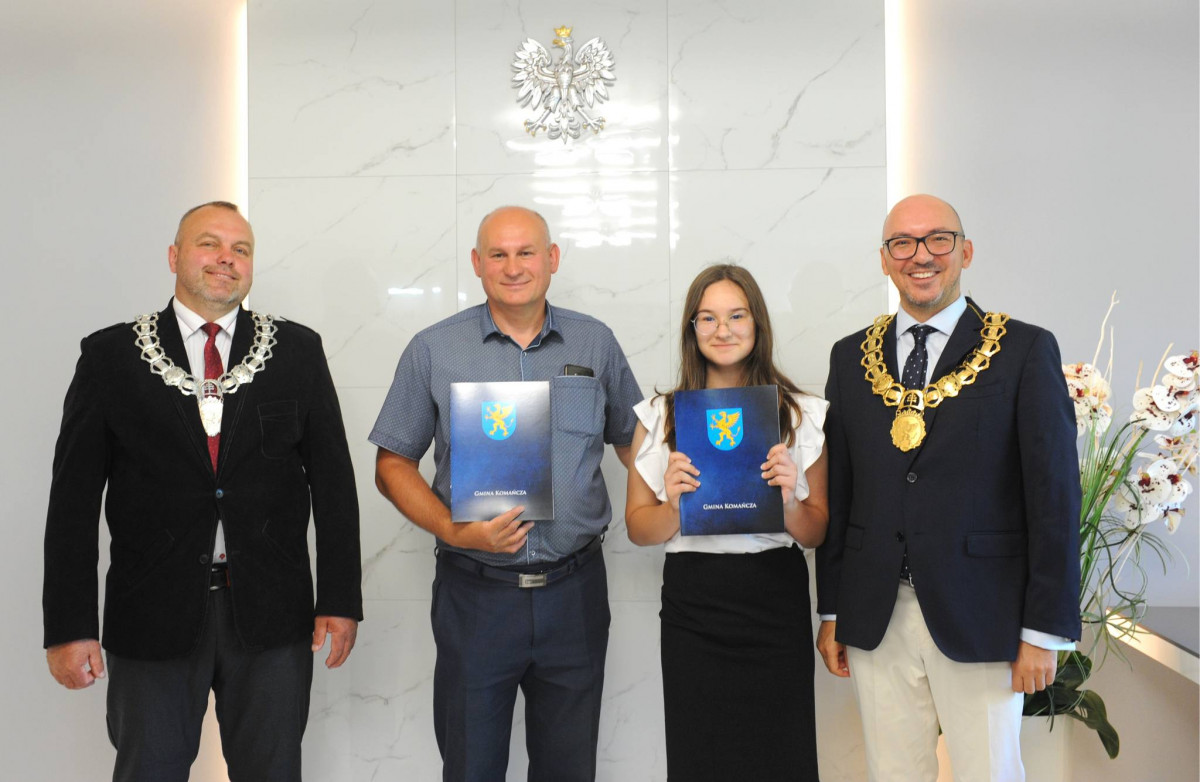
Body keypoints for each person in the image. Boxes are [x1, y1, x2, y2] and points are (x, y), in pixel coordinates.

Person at [42, 201, 363, 782]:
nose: (225, 258)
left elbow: (335, 484)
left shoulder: (297, 351)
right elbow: (72, 504)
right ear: (174, 256)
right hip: (151, 613)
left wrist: (339, 601)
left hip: (272, 615)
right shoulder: (110, 356)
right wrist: (70, 626)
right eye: (209, 243)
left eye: (241, 249)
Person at [370, 205, 642, 782]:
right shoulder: (433, 349)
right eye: (498, 254)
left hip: (575, 593)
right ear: (477, 262)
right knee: (472, 767)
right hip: (476, 597)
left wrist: (691, 483)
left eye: (526, 252)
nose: (513, 267)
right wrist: (453, 529)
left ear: (553, 259)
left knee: (569, 770)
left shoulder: (595, 342)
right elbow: (392, 464)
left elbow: (631, 443)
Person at [815, 194, 1081, 781]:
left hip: (983, 611)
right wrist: (831, 608)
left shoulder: (1024, 350)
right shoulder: (849, 357)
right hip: (876, 611)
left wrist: (1045, 630)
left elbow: (1055, 498)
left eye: (938, 239)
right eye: (902, 243)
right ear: (884, 259)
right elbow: (842, 489)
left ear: (966, 251)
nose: (921, 255)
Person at [624, 264, 828, 781]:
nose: (723, 330)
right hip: (694, 604)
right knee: (700, 757)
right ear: (691, 328)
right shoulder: (659, 416)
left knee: (782, 755)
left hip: (774, 599)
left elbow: (817, 531)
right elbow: (638, 529)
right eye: (708, 318)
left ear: (757, 323)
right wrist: (672, 506)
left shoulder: (801, 414)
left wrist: (788, 503)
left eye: (737, 316)